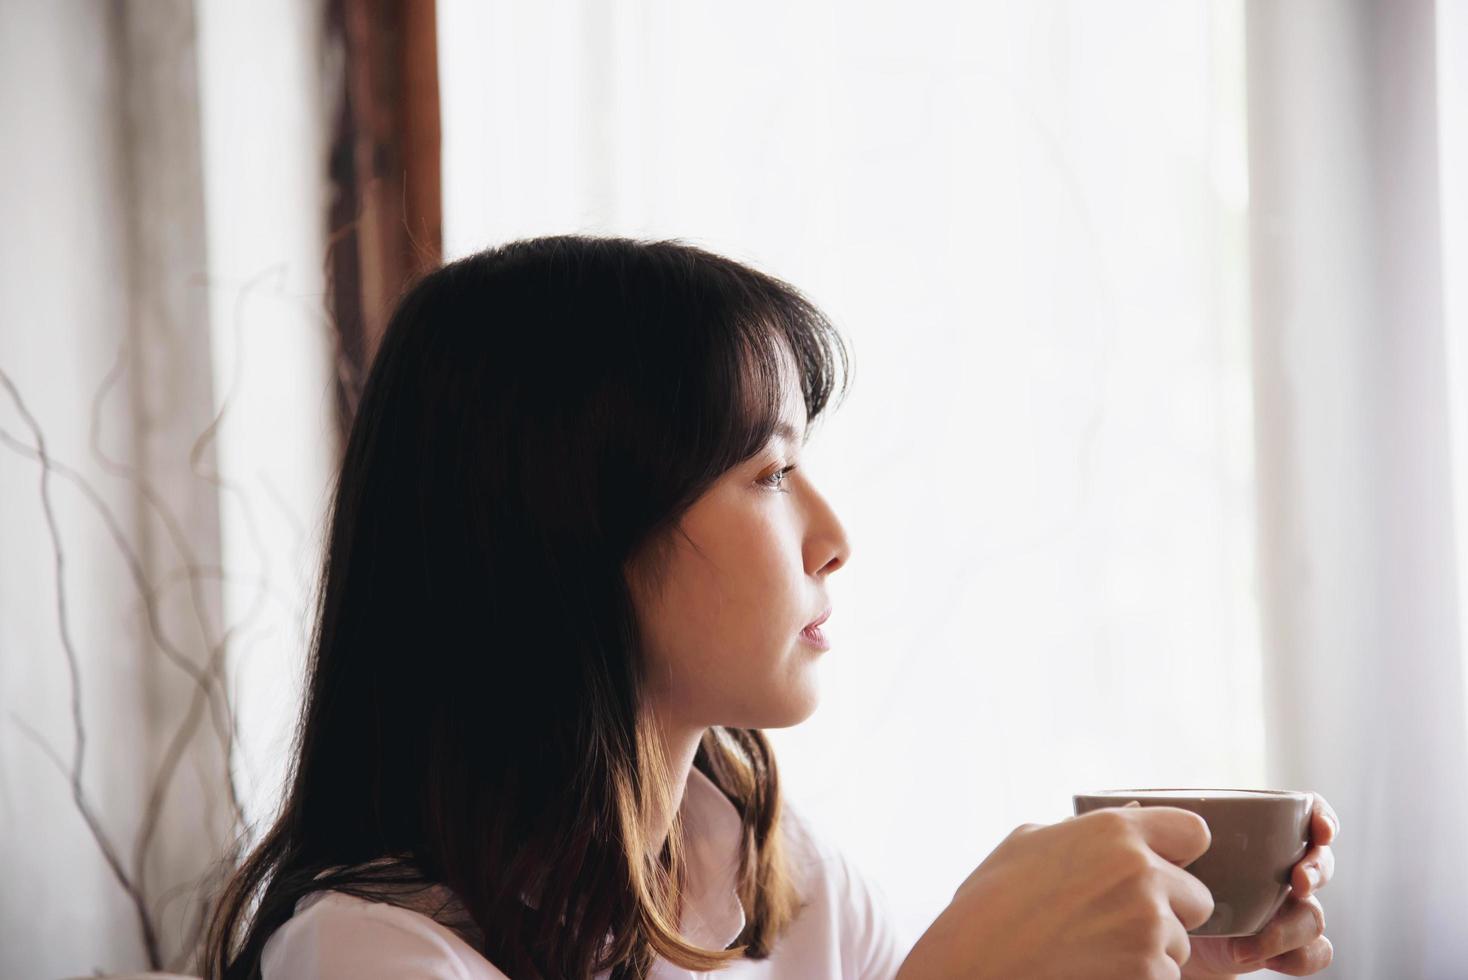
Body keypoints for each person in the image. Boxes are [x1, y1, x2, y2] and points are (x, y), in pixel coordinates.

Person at [203, 235, 1336, 979]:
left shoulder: (772, 880)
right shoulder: (372, 955)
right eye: (771, 472)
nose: (834, 537)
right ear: (573, 529)